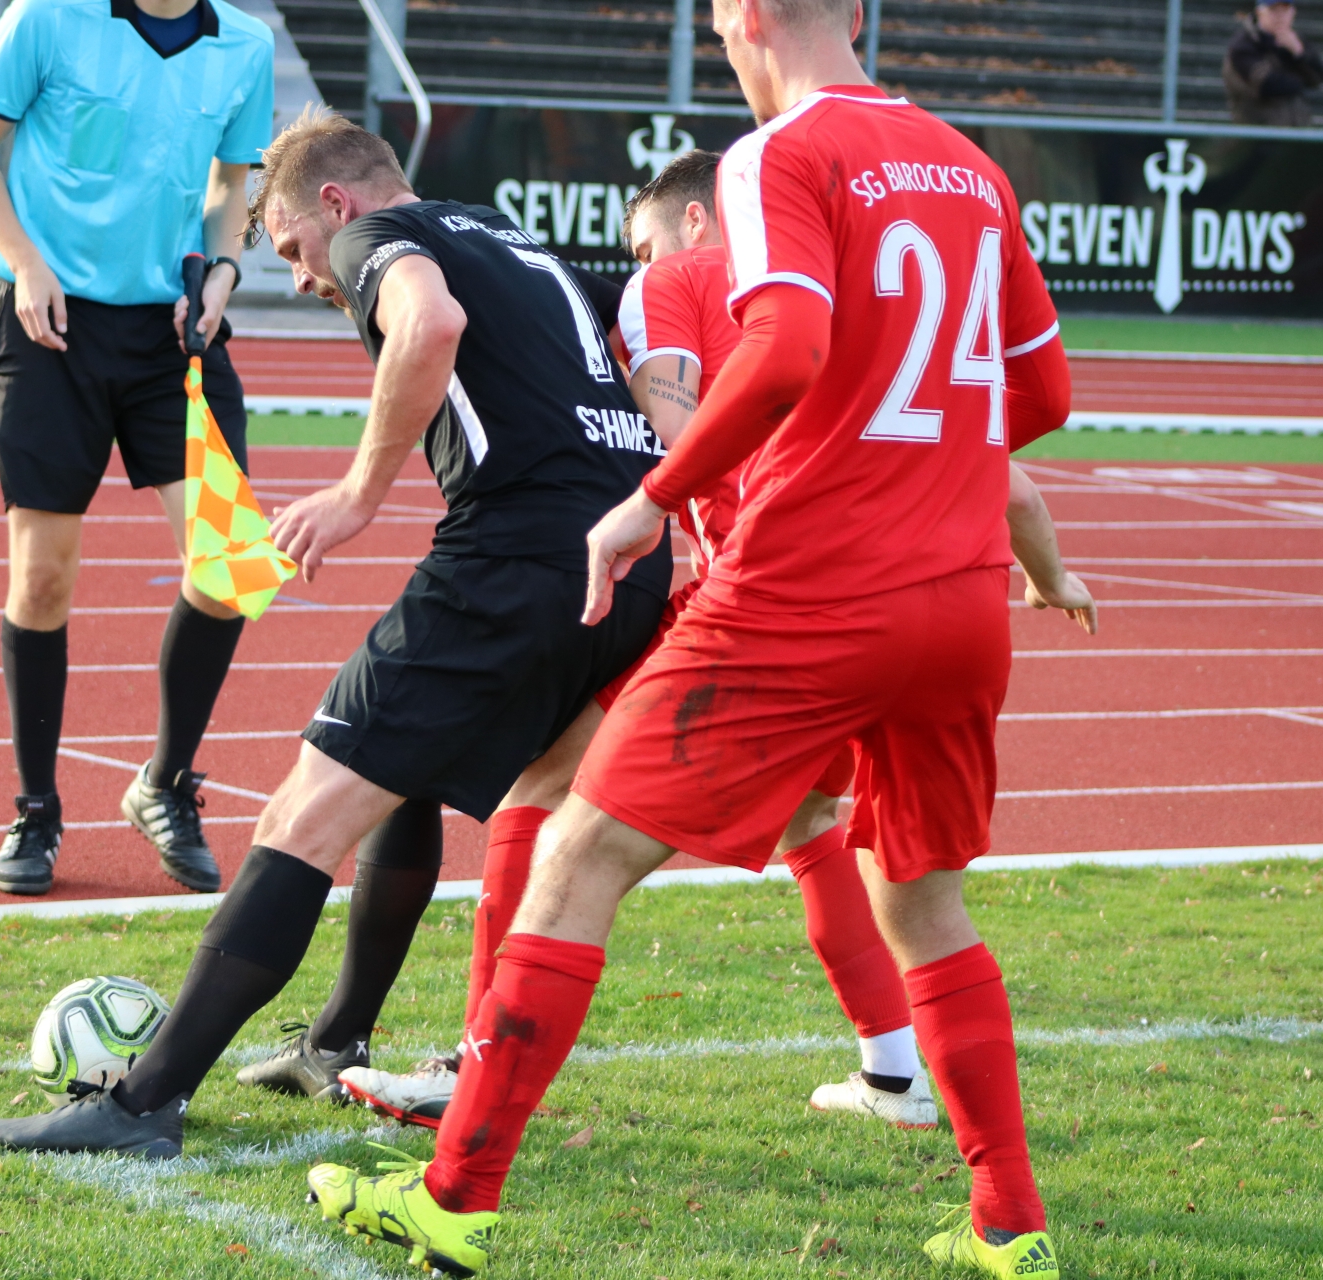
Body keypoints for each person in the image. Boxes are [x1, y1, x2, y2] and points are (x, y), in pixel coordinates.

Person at [306, 0, 1076, 1275]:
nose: (723, 43)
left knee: (574, 852)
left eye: (719, 23)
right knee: (925, 904)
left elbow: (788, 346)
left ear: (752, 15)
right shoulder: (974, 167)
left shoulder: (776, 155)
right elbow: (1040, 391)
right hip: (959, 597)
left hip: (811, 589)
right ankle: (1008, 1221)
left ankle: (453, 1193)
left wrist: (651, 499)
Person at [0, 110, 672, 1158]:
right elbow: (657, 312)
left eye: (294, 248)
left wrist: (355, 494)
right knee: (407, 774)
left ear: (336, 204)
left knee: (303, 811)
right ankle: (336, 1038)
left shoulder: (375, 235)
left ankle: (141, 1103)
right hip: (626, 561)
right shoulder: (505, 234)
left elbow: (429, 325)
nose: (303, 276)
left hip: (517, 557)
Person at [0, 0, 275, 897]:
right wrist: (25, 261)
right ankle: (36, 809)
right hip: (49, 326)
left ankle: (164, 783)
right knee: (42, 578)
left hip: (173, 333)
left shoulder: (245, 44)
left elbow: (232, 186)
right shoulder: (46, 17)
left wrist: (224, 270)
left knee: (231, 562)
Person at [1224, 0, 1323, 127]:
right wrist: (1300, 81)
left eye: (1285, 11)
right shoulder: (1244, 44)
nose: (1280, 17)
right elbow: (1267, 84)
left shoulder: (1295, 41)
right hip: (1257, 131)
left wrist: (1299, 53)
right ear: (1259, 12)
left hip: (1297, 129)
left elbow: (1318, 77)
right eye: (1273, 10)